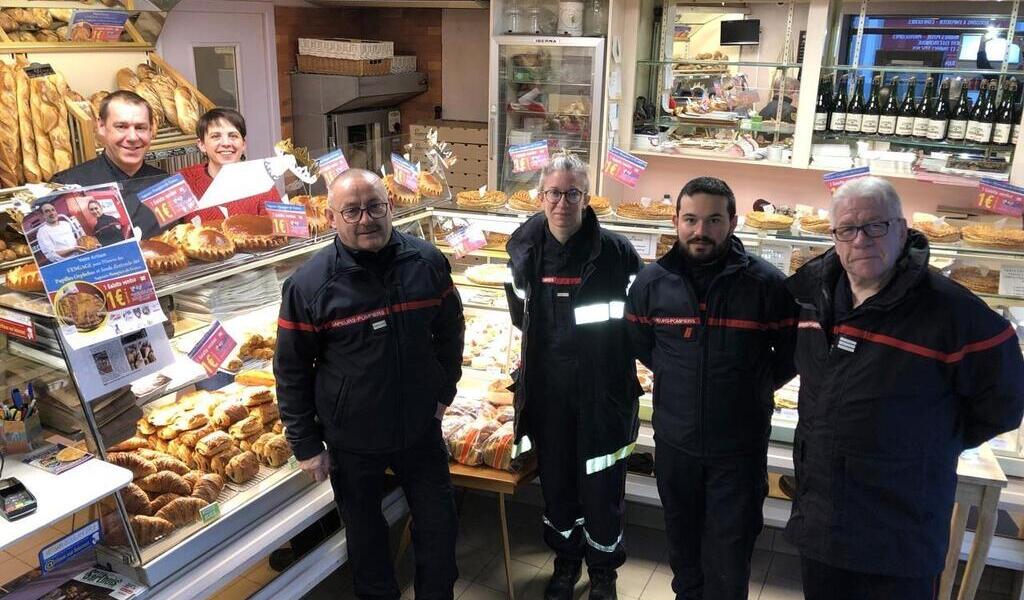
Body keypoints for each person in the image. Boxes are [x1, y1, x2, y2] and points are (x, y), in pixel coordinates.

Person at [785, 176, 1024, 600]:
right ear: (834, 237)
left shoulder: (953, 311)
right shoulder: (811, 298)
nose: (861, 240)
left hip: (900, 534)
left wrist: (929, 443)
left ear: (901, 228)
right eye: (848, 229)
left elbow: (1005, 404)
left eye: (875, 226)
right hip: (822, 525)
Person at [274, 168, 463, 600]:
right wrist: (305, 443)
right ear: (330, 217)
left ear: (390, 206)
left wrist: (443, 392)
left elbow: (451, 330)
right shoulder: (309, 284)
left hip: (419, 427)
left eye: (375, 206)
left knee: (439, 525)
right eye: (352, 210)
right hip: (351, 437)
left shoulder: (427, 262)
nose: (366, 219)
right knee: (367, 539)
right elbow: (291, 368)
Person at [626, 177, 795, 600]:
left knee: (729, 559)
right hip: (675, 444)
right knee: (683, 553)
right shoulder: (651, 283)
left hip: (738, 451)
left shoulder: (766, 284)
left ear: (733, 222)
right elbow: (642, 346)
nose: (701, 231)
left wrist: (751, 386)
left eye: (714, 220)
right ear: (676, 221)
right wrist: (676, 374)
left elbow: (792, 353)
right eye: (691, 220)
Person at [504, 152, 642, 600]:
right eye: (554, 192)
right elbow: (520, 315)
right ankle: (565, 563)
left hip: (604, 395)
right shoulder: (523, 248)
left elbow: (638, 321)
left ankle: (603, 573)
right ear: (541, 195)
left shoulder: (616, 253)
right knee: (559, 486)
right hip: (547, 394)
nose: (562, 202)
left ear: (587, 197)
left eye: (573, 193)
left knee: (602, 489)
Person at [51, 91, 169, 239]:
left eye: (140, 128)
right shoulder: (67, 185)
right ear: (101, 126)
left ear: (151, 130)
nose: (132, 137)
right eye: (121, 126)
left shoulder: (167, 184)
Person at [179, 107, 280, 224]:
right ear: (201, 145)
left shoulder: (262, 183)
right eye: (216, 136)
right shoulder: (184, 181)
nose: (226, 143)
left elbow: (281, 232)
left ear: (243, 145)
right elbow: (159, 227)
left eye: (233, 136)